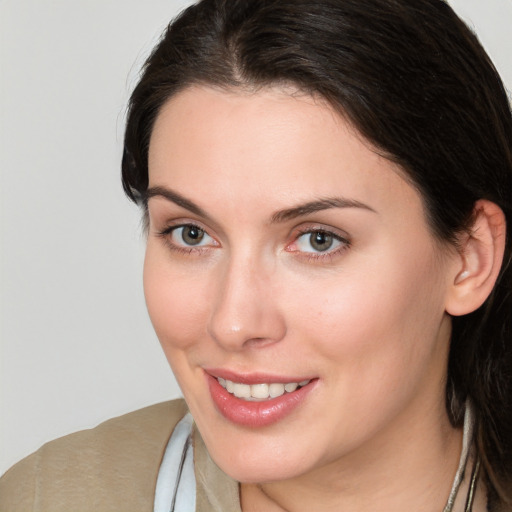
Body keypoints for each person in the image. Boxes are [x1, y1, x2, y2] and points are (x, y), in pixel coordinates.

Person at [1, 0, 511, 510]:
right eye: (191, 234)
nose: (233, 323)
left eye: (318, 240)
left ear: (470, 258)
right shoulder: (48, 498)